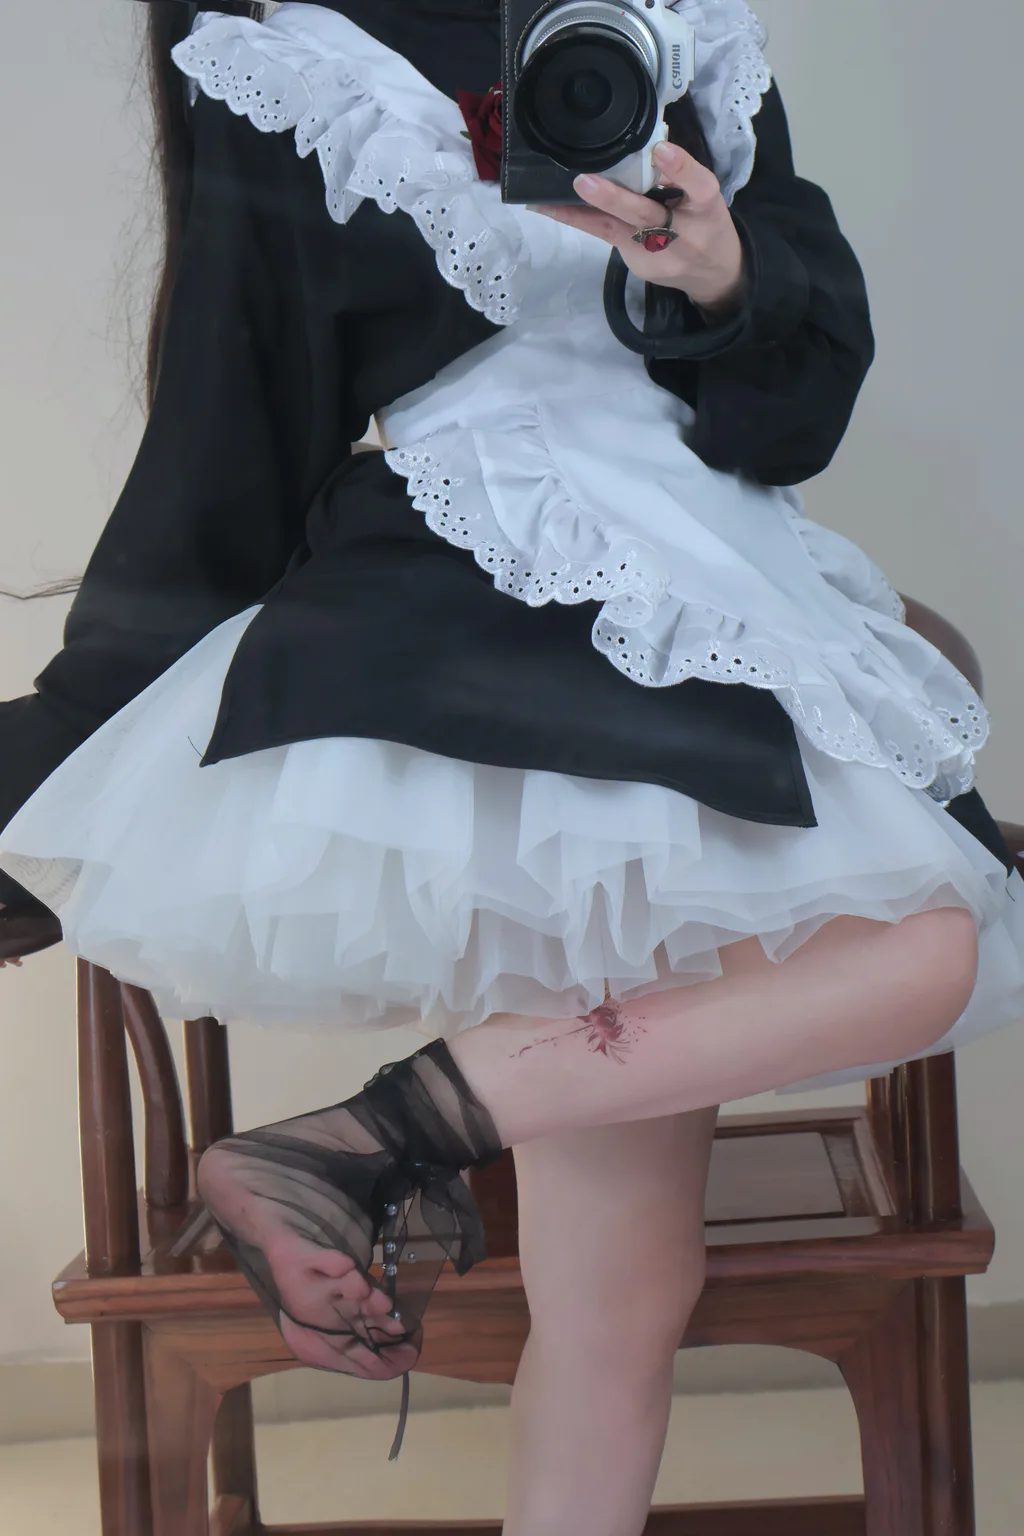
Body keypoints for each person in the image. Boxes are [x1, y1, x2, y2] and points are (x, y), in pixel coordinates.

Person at [3, 0, 1024, 1528]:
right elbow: (228, 443)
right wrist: (58, 745)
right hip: (483, 595)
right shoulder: (299, 61)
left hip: (712, 591)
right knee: (928, 946)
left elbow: (792, 418)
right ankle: (360, 1142)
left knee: (627, 1290)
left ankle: (363, 1150)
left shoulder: (669, 30)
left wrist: (718, 269)